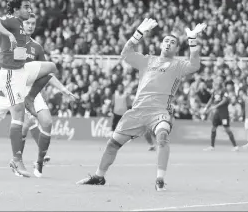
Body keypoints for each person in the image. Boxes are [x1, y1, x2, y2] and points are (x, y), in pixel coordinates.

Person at [77, 19, 206, 191]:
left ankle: (160, 180)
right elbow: (126, 53)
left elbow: (195, 64)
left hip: (159, 111)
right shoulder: (147, 60)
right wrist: (138, 32)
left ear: (176, 49)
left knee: (162, 137)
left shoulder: (178, 65)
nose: (168, 44)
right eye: (166, 41)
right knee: (112, 144)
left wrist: (192, 40)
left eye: (173, 42)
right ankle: (99, 177)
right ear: (161, 44)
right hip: (137, 111)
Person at [0, 13, 76, 177]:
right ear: (21, 24)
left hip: (29, 90)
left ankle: (36, 160)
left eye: (33, 23)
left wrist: (62, 89)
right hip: (9, 88)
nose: (30, 26)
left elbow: (47, 74)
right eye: (28, 23)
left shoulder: (37, 48)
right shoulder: (11, 41)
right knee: (6, 122)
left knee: (41, 122)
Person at [0, 0, 61, 178]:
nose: (30, 10)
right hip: (10, 74)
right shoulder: (11, 20)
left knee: (51, 67)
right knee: (18, 114)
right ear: (16, 8)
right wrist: (7, 34)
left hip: (23, 69)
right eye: (26, 6)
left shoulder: (20, 24)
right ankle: (16, 159)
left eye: (30, 7)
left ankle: (31, 96)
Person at [202, 81, 239, 152]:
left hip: (223, 113)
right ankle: (212, 146)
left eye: (215, 85)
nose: (214, 86)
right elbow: (211, 99)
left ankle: (235, 146)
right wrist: (206, 107)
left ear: (218, 85)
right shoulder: (215, 92)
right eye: (213, 85)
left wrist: (215, 106)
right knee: (213, 128)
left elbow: (225, 100)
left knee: (227, 129)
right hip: (217, 113)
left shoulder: (224, 91)